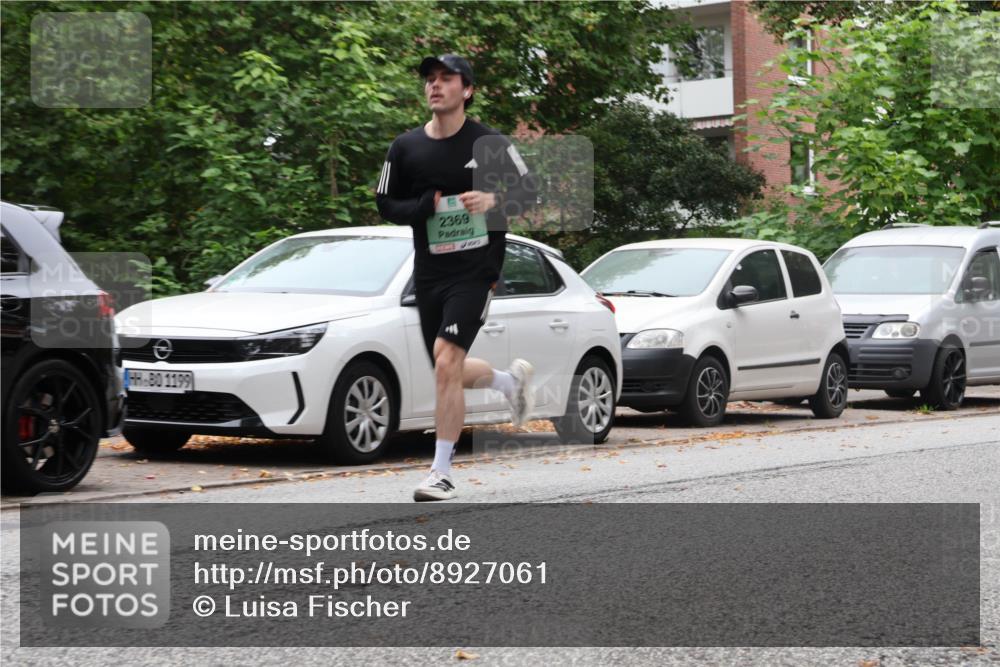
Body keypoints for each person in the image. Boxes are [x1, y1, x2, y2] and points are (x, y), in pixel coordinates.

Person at [376, 54, 538, 502]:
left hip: (476, 270)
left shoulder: (489, 143)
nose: (435, 85)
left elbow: (530, 192)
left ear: (466, 90)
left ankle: (441, 473)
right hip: (430, 274)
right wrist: (421, 206)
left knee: (446, 361)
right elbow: (386, 204)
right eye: (430, 79)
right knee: (448, 368)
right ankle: (509, 383)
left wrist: (493, 199)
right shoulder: (405, 147)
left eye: (446, 78)